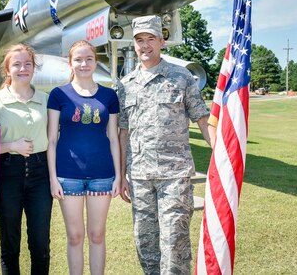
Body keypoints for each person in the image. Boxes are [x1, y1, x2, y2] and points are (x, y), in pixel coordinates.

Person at [117, 15, 213, 275]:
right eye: (139, 40)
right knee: (145, 242)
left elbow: (202, 119)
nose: (145, 45)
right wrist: (122, 175)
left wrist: (220, 152)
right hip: (139, 177)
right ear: (134, 44)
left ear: (162, 41)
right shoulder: (125, 86)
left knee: (174, 242)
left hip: (175, 175)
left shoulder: (181, 77)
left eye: (151, 39)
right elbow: (123, 132)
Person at [47, 40, 121, 275]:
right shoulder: (58, 95)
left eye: (89, 58)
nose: (84, 63)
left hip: (102, 175)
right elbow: (52, 140)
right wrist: (53, 179)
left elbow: (113, 138)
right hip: (68, 176)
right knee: (75, 236)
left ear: (95, 61)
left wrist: (119, 176)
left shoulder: (109, 96)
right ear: (70, 63)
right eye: (78, 59)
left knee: (97, 235)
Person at [0, 44, 52, 275]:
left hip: (40, 175)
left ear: (34, 68)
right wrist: (11, 145)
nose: (23, 69)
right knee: (10, 245)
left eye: (28, 64)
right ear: (7, 69)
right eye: (16, 64)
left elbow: (55, 138)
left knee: (40, 244)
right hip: (7, 174)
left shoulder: (46, 100)